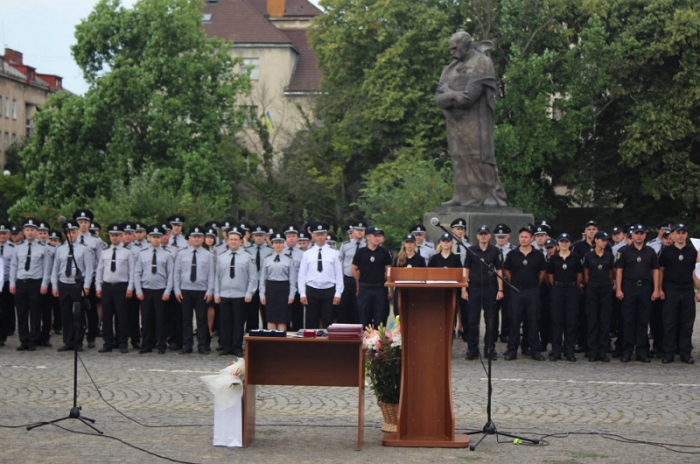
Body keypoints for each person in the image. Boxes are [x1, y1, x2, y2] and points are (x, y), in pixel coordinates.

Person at [435, 31, 508, 206]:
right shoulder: (449, 68)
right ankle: (462, 194)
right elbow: (438, 100)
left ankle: (488, 196)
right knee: (458, 157)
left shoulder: (482, 62)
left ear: (466, 45)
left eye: (454, 48)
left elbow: (468, 99)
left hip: (477, 121)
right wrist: (453, 96)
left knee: (479, 157)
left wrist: (449, 92)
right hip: (454, 123)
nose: (451, 53)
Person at [615, 224, 660, 363]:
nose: (639, 236)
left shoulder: (650, 252)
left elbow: (656, 271)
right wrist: (618, 289)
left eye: (641, 233)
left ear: (645, 235)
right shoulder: (625, 251)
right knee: (628, 320)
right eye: (636, 233)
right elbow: (619, 271)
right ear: (632, 235)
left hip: (645, 287)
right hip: (629, 287)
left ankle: (642, 351)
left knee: (642, 321)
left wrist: (656, 289)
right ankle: (627, 351)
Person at [503, 226, 547, 361]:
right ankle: (512, 351)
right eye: (521, 237)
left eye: (526, 237)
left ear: (532, 238)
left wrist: (533, 284)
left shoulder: (538, 254)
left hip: (533, 290)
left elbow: (542, 273)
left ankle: (535, 350)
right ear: (519, 238)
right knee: (515, 321)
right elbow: (507, 272)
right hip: (516, 290)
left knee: (533, 321)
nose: (523, 239)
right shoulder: (512, 254)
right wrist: (516, 283)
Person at [10, 218, 53, 351]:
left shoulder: (43, 248)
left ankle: (33, 339)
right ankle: (24, 340)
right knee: (22, 312)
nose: (30, 232)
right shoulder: (18, 248)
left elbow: (46, 267)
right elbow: (13, 266)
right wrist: (12, 283)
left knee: (35, 312)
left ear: (36, 232)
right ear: (23, 232)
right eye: (27, 230)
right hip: (21, 282)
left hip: (36, 282)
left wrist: (44, 284)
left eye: (32, 230)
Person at [658, 223, 698, 364]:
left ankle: (685, 353)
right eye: (678, 233)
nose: (680, 235)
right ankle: (668, 353)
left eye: (683, 233)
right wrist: (659, 289)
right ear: (673, 235)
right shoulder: (667, 251)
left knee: (686, 323)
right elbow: (661, 271)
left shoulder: (693, 252)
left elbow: (697, 272)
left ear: (686, 235)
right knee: (669, 323)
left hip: (687, 290)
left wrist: (699, 290)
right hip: (671, 290)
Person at [214, 226, 258, 357]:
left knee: (239, 322)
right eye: (231, 239)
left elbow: (253, 277)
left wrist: (249, 293)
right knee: (224, 322)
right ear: (227, 241)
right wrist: (216, 293)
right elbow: (216, 277)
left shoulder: (248, 257)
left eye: (236, 239)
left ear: (240, 241)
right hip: (224, 294)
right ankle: (226, 346)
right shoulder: (221, 257)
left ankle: (237, 346)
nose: (233, 242)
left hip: (240, 295)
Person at [51, 220, 93, 352]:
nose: (71, 235)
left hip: (77, 285)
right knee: (65, 314)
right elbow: (55, 268)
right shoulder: (60, 249)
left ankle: (78, 341)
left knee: (78, 314)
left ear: (77, 233)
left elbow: (89, 269)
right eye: (69, 233)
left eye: (74, 232)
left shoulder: (84, 248)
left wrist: (86, 286)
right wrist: (55, 286)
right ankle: (68, 341)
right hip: (64, 283)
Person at [463, 225, 504, 361]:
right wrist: (464, 288)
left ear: (489, 236)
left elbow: (499, 271)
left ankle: (490, 348)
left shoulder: (495, 251)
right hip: (474, 287)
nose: (483, 236)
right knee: (473, 320)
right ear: (477, 236)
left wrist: (500, 289)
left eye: (485, 234)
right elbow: (466, 270)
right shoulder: (471, 250)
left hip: (490, 287)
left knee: (491, 320)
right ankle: (472, 349)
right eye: (481, 234)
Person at [174, 225, 215, 355]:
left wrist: (210, 291)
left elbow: (211, 275)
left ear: (203, 239)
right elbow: (177, 273)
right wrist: (177, 290)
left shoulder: (208, 255)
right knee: (186, 319)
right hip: (185, 290)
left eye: (199, 237)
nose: (197, 239)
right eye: (194, 236)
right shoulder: (181, 254)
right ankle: (187, 345)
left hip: (201, 291)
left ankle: (202, 345)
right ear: (190, 238)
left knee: (201, 319)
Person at [134, 225, 174, 354]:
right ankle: (146, 344)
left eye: (158, 237)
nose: (156, 240)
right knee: (146, 319)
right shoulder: (142, 253)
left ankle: (161, 344)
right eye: (153, 237)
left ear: (161, 238)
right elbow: (137, 272)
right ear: (149, 238)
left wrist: (167, 291)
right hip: (146, 289)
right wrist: (138, 290)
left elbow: (170, 274)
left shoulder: (167, 255)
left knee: (161, 319)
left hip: (160, 290)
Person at [95, 223, 134, 353]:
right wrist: (98, 286)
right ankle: (108, 342)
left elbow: (132, 271)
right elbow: (99, 270)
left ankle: (122, 343)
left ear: (122, 236)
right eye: (112, 235)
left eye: (117, 235)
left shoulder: (127, 253)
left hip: (121, 287)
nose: (114, 238)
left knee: (121, 316)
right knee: (107, 316)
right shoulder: (105, 252)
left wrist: (130, 287)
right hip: (107, 287)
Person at [298, 222, 343, 329]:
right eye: (317, 235)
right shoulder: (307, 253)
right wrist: (302, 293)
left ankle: (328, 345)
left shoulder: (334, 253)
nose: (320, 237)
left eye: (322, 234)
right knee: (311, 320)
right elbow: (302, 275)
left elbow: (339, 274)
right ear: (313, 235)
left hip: (328, 290)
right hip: (312, 289)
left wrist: (338, 293)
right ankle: (311, 345)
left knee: (328, 320)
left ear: (326, 235)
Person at [547, 233, 583, 362]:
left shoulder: (575, 257)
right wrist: (557, 286)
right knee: (557, 321)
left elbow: (579, 274)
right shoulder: (554, 258)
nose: (564, 244)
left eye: (566, 242)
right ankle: (556, 351)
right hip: (558, 289)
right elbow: (550, 275)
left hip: (571, 289)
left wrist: (574, 286)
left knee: (571, 321)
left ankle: (570, 351)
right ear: (558, 244)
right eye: (561, 242)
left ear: (569, 243)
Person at [582, 231, 615, 362]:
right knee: (592, 320)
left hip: (605, 288)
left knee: (604, 320)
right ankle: (592, 351)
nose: (604, 242)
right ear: (596, 240)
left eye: (606, 240)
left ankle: (603, 350)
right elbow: (586, 274)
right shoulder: (589, 256)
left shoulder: (609, 256)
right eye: (602, 240)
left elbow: (611, 273)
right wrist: (590, 284)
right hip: (592, 288)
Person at [351, 226, 393, 328]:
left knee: (380, 318)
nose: (377, 238)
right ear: (368, 237)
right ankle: (366, 342)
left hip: (379, 288)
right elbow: (353, 269)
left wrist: (390, 290)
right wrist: (360, 280)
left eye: (379, 236)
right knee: (364, 318)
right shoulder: (361, 252)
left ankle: (379, 342)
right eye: (375, 236)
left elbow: (388, 271)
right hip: (365, 288)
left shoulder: (384, 252)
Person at [73, 209, 101, 349]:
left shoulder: (95, 240)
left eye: (85, 222)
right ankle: (77, 337)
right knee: (78, 310)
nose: (83, 224)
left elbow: (100, 260)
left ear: (89, 224)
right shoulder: (73, 238)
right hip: (75, 279)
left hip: (91, 278)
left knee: (91, 309)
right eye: (80, 222)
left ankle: (91, 336)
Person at [260, 232, 297, 331]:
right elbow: (263, 279)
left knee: (282, 319)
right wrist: (262, 294)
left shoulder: (289, 259)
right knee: (271, 318)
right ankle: (270, 344)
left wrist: (291, 295)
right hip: (271, 289)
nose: (278, 245)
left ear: (283, 244)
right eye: (276, 243)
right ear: (272, 244)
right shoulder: (267, 259)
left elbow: (292, 279)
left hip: (283, 289)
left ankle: (281, 344)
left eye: (280, 242)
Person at [338, 221, 367, 324]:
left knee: (359, 308)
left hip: (362, 280)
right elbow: (340, 263)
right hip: (347, 279)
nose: (360, 233)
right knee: (344, 308)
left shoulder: (368, 245)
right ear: (353, 231)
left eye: (362, 230)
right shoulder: (345, 245)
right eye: (357, 230)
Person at [493, 223, 516, 343]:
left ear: (508, 236)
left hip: (508, 282)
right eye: (498, 236)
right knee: (493, 309)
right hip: (494, 282)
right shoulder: (491, 249)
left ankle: (505, 333)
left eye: (503, 236)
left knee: (507, 310)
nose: (500, 239)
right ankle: (494, 332)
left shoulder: (514, 250)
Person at [282, 224, 305, 331]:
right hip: (283, 287)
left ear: (297, 238)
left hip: (297, 288)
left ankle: (297, 339)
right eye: (289, 236)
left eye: (293, 236)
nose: (291, 238)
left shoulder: (303, 253)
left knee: (297, 316)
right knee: (284, 315)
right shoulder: (280, 251)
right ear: (285, 238)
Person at [0, 221, 16, 347]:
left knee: (5, 310)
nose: (2, 236)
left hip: (6, 282)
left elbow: (14, 267)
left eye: (4, 233)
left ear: (9, 234)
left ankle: (2, 336)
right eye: (0, 233)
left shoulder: (13, 248)